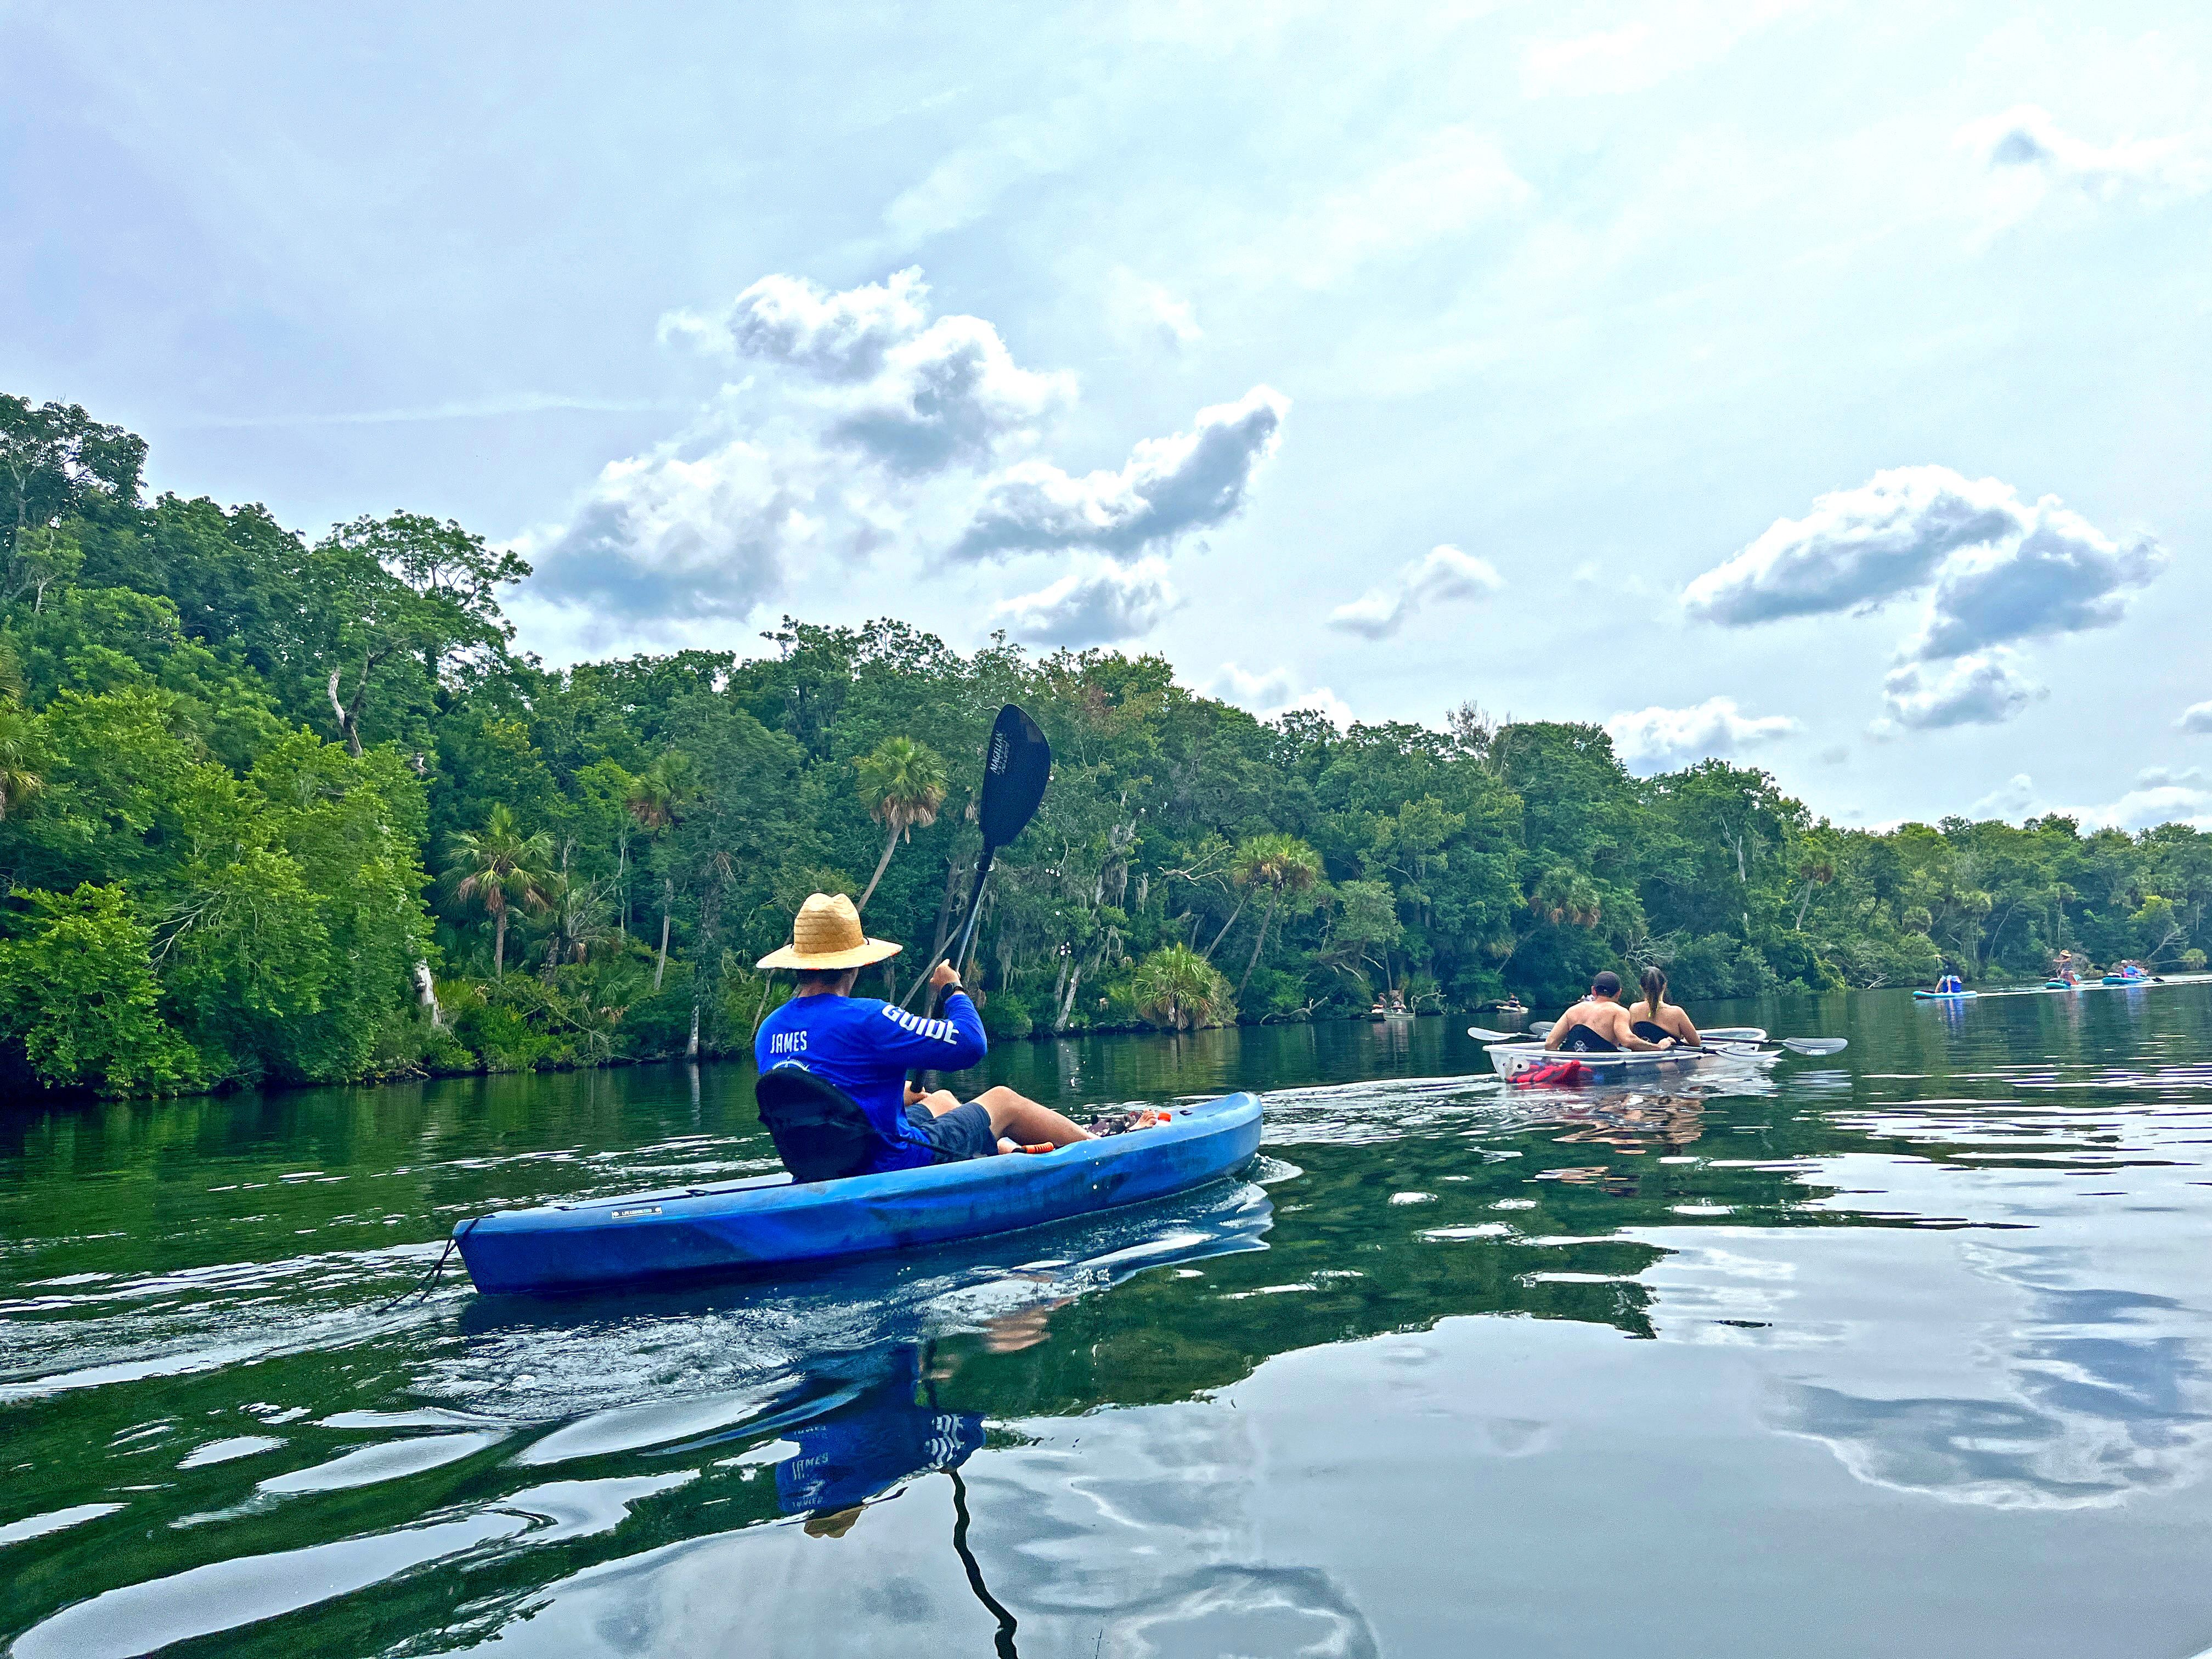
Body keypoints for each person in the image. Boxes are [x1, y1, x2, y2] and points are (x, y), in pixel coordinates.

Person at [753, 893, 1092, 1174]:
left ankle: (1001, 1149)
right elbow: (971, 1044)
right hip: (891, 1161)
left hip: (832, 1160)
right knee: (1003, 1100)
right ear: (854, 964)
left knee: (941, 1099)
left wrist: (898, 1093)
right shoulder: (868, 1018)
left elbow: (827, 1095)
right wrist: (952, 990)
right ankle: (1105, 1150)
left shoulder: (768, 1031)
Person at [1543, 970, 1678, 1053]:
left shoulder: (1573, 1010)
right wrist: (1658, 1047)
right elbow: (1628, 1041)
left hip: (1571, 1065)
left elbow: (1550, 1044)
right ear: (1619, 993)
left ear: (1593, 991)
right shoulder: (1619, 1011)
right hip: (1601, 1071)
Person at [1624, 966, 1699, 1048]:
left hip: (1643, 1059)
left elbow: (1632, 1036)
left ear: (1641, 987)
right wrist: (1683, 1041)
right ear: (1664, 985)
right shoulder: (1677, 1013)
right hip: (1669, 1060)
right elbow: (1696, 1043)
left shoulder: (1634, 1009)